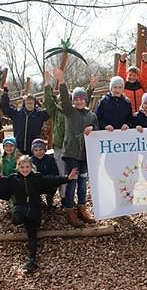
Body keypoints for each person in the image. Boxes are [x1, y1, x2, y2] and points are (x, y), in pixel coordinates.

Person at [0, 156, 78, 272]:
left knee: (32, 234)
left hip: (34, 209)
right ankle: (24, 219)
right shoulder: (13, 179)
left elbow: (51, 179)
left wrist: (67, 178)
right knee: (16, 219)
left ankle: (32, 260)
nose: (25, 169)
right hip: (21, 208)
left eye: (27, 167)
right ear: (18, 167)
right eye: (22, 167)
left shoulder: (37, 177)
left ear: (31, 167)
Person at [44, 70, 98, 207]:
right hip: (67, 150)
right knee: (68, 179)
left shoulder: (86, 114)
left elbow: (84, 100)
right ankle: (67, 205)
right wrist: (61, 82)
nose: (78, 101)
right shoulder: (66, 111)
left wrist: (91, 88)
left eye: (80, 99)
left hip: (82, 152)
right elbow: (52, 100)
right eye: (74, 99)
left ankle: (80, 206)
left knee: (81, 181)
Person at [1, 83, 49, 155]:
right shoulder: (17, 114)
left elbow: (51, 109)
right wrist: (5, 92)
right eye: (27, 103)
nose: (29, 105)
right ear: (24, 104)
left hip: (34, 149)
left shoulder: (40, 115)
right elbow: (5, 107)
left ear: (34, 104)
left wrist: (49, 91)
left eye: (31, 103)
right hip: (19, 147)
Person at [30, 138, 59, 209]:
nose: (38, 152)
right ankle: (38, 201)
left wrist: (48, 179)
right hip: (36, 183)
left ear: (44, 150)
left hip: (48, 181)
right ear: (33, 151)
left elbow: (55, 172)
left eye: (41, 150)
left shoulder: (50, 159)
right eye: (36, 150)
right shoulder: (31, 160)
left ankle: (50, 200)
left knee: (54, 183)